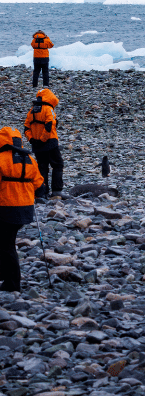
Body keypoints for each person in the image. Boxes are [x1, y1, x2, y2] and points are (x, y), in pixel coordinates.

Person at [0, 126, 44, 292]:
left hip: (6, 208)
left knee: (6, 244)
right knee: (6, 242)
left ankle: (12, 283)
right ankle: (5, 274)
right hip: (25, 209)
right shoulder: (30, 159)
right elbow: (40, 187)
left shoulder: (1, 159)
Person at [24, 89, 63, 199]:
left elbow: (26, 128)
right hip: (50, 142)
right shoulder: (48, 109)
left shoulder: (32, 110)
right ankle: (56, 191)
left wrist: (32, 140)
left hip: (37, 145)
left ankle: (43, 192)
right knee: (58, 164)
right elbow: (49, 125)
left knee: (42, 167)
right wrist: (43, 139)